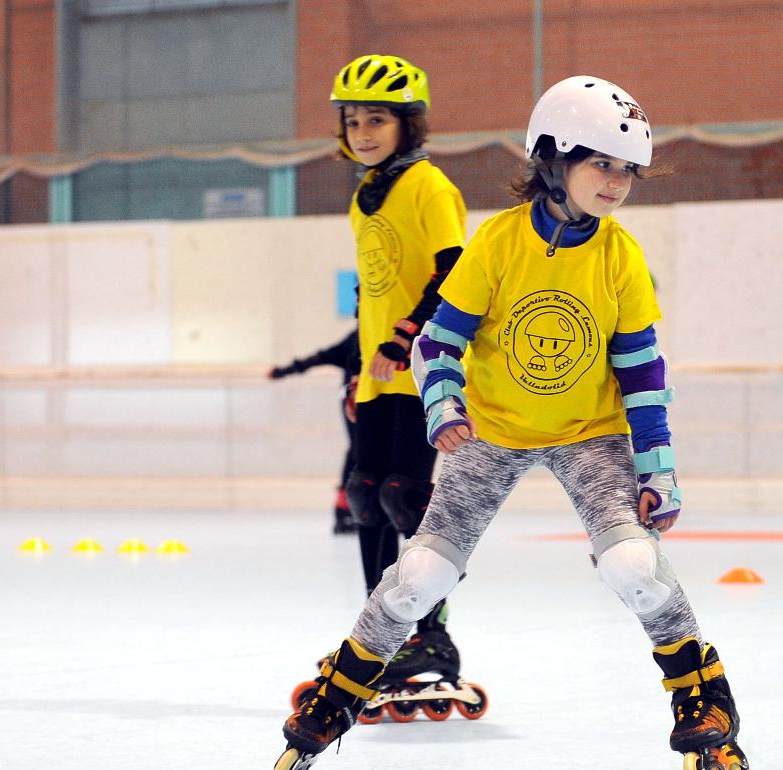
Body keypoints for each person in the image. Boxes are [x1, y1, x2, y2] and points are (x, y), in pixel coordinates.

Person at [276, 76, 748, 770]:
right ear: (553, 160)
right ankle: (341, 692)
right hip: (491, 432)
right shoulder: (497, 244)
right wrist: (442, 405)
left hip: (591, 432)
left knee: (633, 565)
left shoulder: (621, 258)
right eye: (601, 164)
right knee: (421, 576)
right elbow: (439, 342)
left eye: (627, 171)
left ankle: (703, 695)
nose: (616, 183)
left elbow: (644, 377)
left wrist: (659, 470)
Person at [300, 53, 472, 711]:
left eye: (378, 119)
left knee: (407, 498)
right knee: (367, 497)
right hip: (377, 374)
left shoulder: (427, 186)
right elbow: (373, 290)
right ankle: (380, 637)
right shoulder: (364, 193)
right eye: (354, 120)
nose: (364, 131)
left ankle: (431, 635)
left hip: (422, 364)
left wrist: (404, 339)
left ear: (409, 124)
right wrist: (363, 367)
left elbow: (452, 273)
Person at [269, 328, 360, 534]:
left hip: (382, 400)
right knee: (358, 450)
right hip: (355, 399)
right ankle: (345, 509)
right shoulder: (359, 336)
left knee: (364, 452)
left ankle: (355, 507)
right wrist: (285, 371)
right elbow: (321, 357)